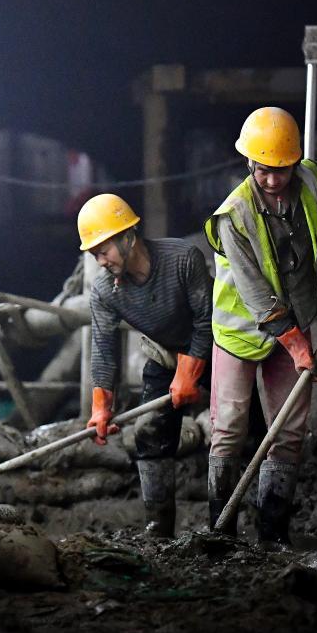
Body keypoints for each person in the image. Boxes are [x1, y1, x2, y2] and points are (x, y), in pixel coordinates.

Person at [204, 106, 317, 543]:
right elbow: (257, 296)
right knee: (228, 430)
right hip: (240, 332)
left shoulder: (313, 178)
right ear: (249, 162)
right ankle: (219, 536)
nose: (272, 180)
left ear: (294, 161)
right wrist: (300, 349)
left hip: (296, 318)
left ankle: (273, 535)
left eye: (281, 170)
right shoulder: (234, 216)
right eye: (263, 170)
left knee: (287, 433)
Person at [77, 193, 213, 538]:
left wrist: (190, 371)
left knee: (242, 430)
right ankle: (159, 530)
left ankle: (231, 527)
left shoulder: (183, 259)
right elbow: (104, 347)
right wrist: (101, 406)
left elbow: (206, 320)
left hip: (218, 350)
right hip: (165, 356)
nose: (100, 261)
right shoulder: (105, 291)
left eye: (103, 251)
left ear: (128, 237)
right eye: (94, 255)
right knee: (148, 434)